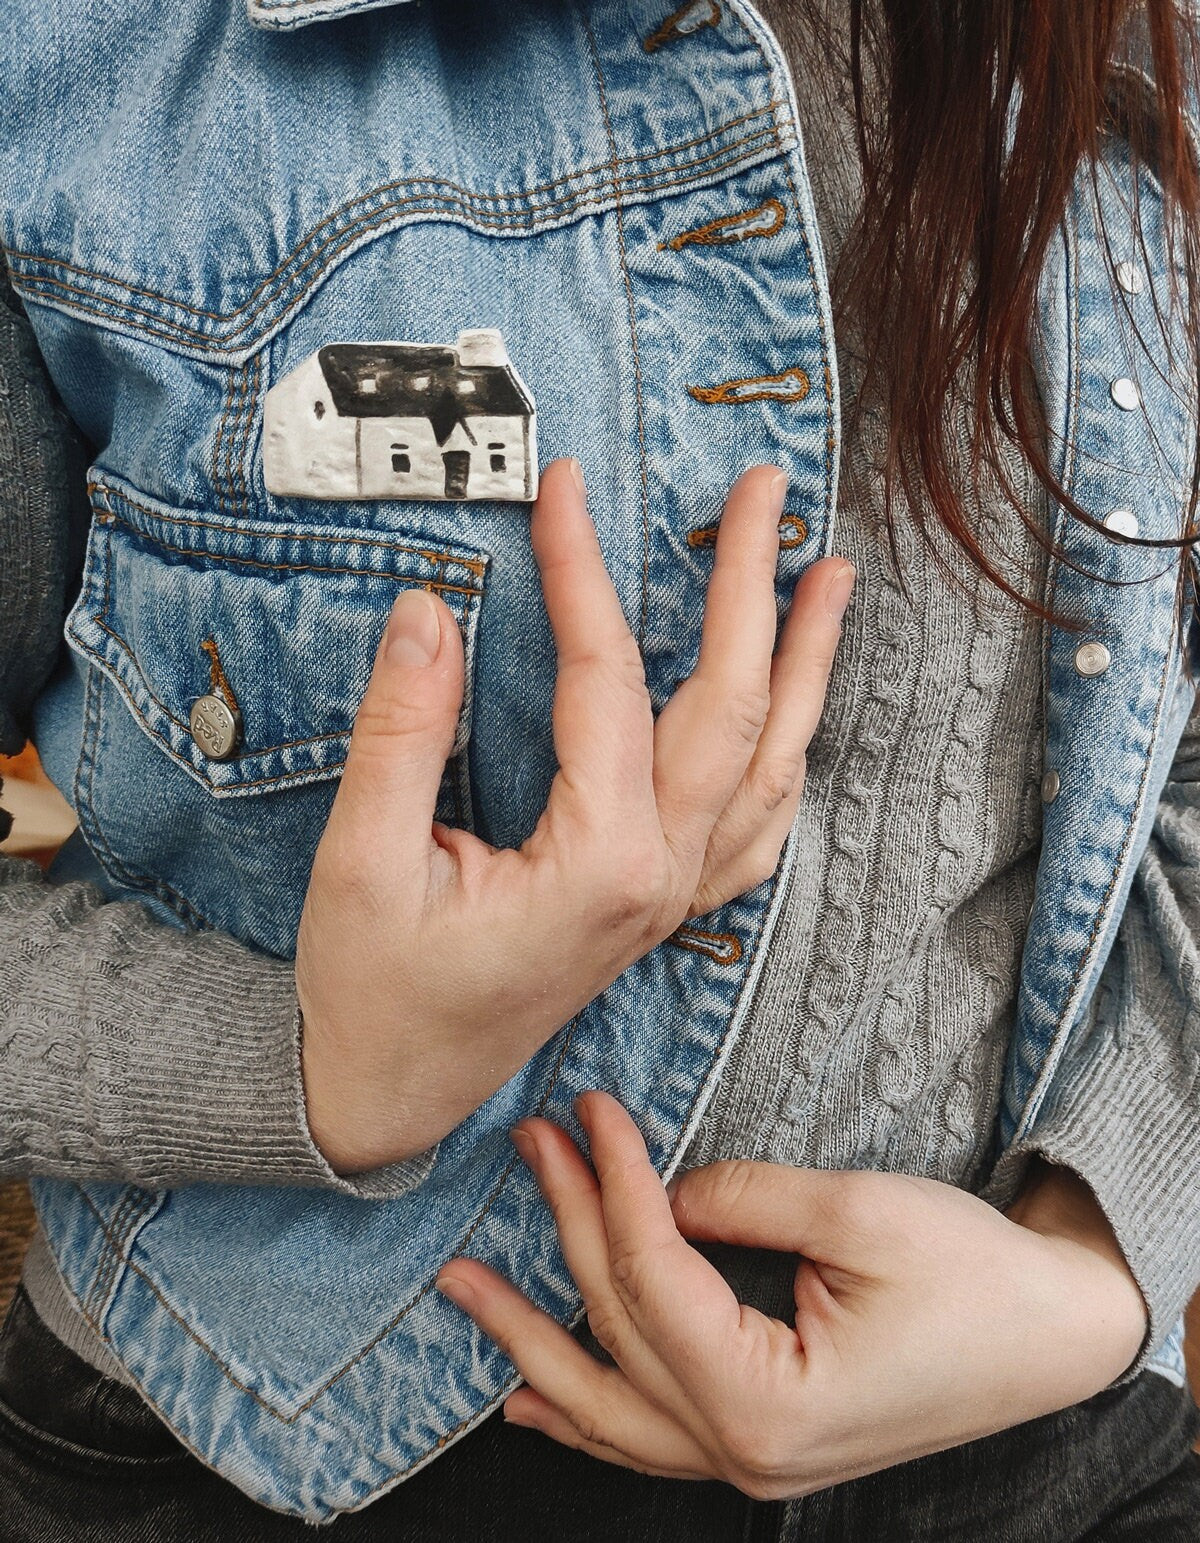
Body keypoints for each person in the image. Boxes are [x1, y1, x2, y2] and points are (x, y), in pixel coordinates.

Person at [1, 0, 1198, 1537]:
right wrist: (309, 1067)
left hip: (1048, 1447)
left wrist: (1098, 1255)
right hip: (268, 1450)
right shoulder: (82, 61)